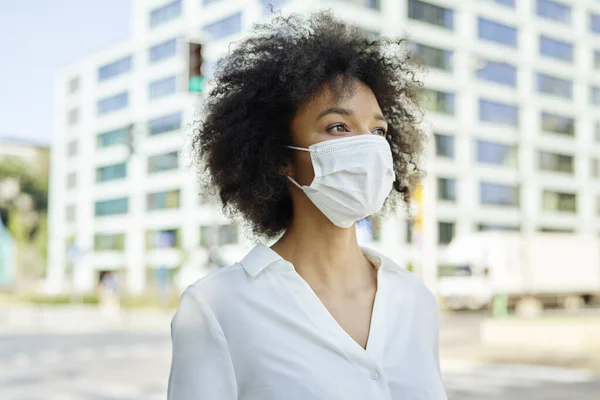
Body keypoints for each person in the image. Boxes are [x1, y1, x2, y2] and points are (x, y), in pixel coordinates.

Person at [168, 11, 446, 400]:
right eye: (338, 127)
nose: (368, 146)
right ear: (280, 156)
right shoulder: (217, 308)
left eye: (379, 131)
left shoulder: (416, 302)